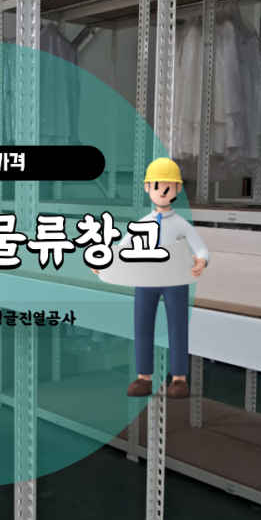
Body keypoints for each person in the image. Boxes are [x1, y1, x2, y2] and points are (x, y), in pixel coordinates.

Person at [93, 157, 209, 399]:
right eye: (157, 186)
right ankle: (143, 377)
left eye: (168, 186)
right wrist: (104, 261)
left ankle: (179, 379)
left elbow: (200, 248)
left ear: (177, 189)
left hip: (176, 279)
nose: (162, 191)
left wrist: (202, 261)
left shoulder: (181, 224)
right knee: (142, 326)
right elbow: (120, 249)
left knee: (178, 327)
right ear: (147, 188)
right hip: (145, 279)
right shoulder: (141, 225)